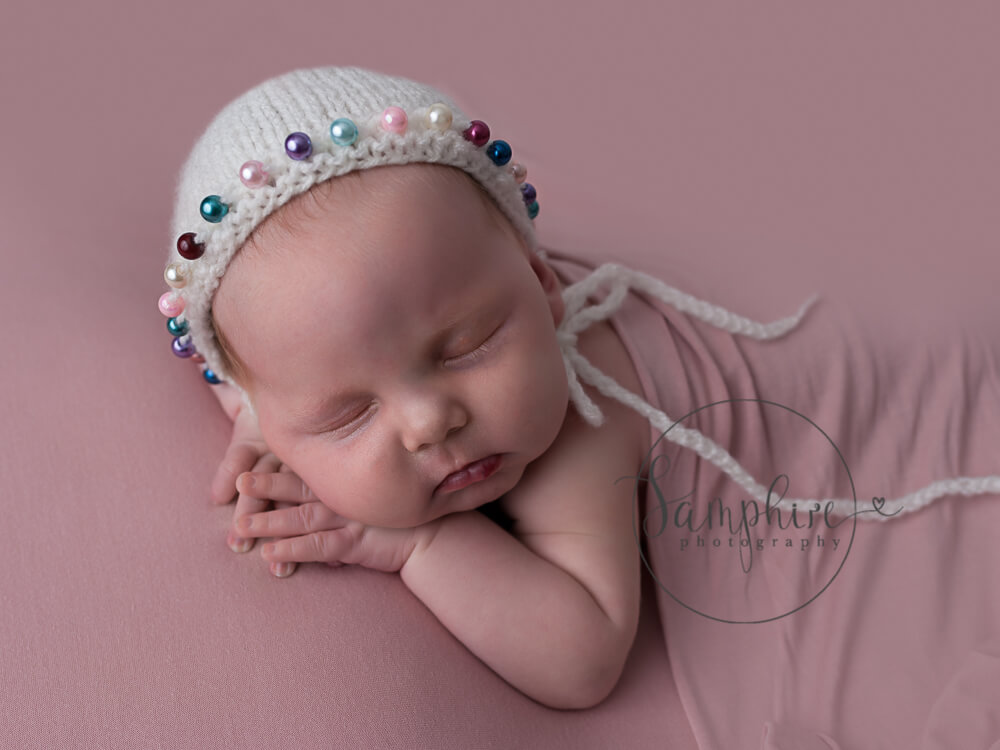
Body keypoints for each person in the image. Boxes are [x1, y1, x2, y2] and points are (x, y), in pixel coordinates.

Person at [157, 66, 997, 709]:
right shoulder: (305, 371)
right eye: (346, 412)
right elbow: (241, 373)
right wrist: (260, 420)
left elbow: (582, 655)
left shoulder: (574, 433)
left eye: (470, 343)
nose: (428, 421)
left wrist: (420, 545)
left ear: (542, 281)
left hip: (874, 373)